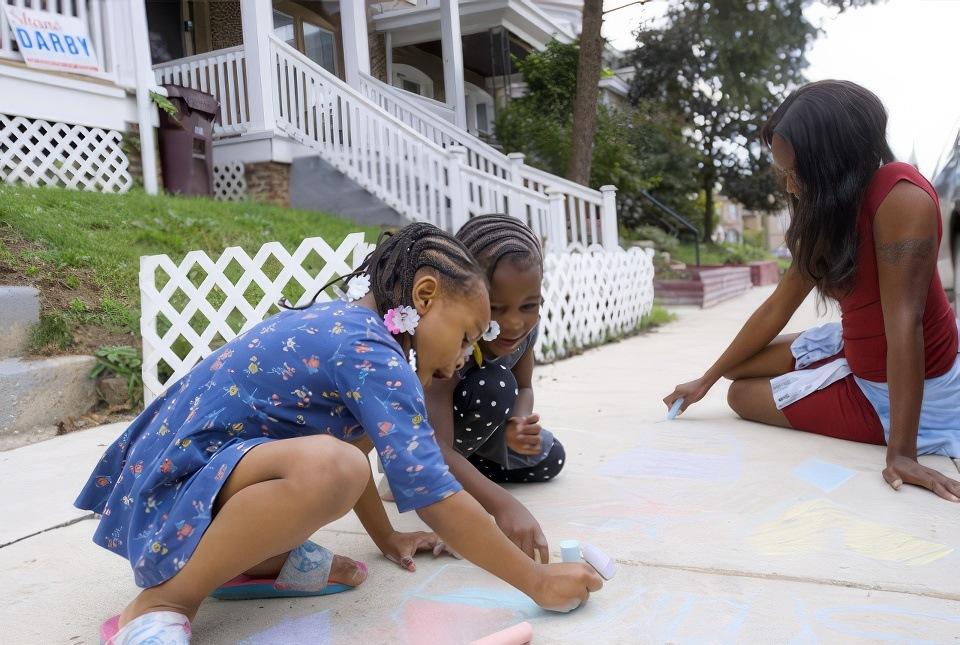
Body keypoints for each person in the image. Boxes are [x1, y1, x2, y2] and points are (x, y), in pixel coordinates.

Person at [77, 223, 601, 645]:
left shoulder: (358, 329)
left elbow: (356, 444)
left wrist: (387, 537)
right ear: (424, 296)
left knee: (340, 461)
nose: (465, 356)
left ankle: (246, 563)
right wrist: (536, 581)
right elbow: (431, 493)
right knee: (333, 468)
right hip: (174, 490)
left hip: (189, 478)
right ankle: (162, 603)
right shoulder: (372, 354)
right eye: (466, 336)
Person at [664, 80, 960, 502]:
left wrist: (902, 453)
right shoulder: (826, 214)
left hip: (907, 387)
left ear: (833, 163)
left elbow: (905, 325)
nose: (789, 185)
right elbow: (776, 307)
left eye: (795, 171)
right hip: (856, 348)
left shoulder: (901, 199)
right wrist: (704, 380)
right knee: (733, 371)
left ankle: (866, 404)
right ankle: (824, 376)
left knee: (742, 395)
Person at [425, 214, 564, 563]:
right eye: (498, 308)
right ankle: (435, 485)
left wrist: (518, 423)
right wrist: (498, 507)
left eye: (529, 306)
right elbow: (436, 445)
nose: (515, 323)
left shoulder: (522, 332)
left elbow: (525, 385)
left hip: (477, 435)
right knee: (495, 385)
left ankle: (470, 473)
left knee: (551, 456)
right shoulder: (449, 343)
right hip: (428, 446)